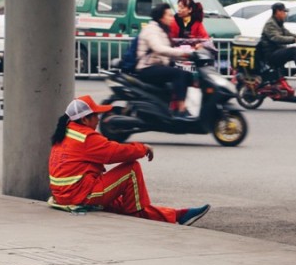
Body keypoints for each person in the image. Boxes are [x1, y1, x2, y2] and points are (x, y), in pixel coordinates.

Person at [49, 95, 210, 225]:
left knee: (122, 202)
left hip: (67, 195)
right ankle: (140, 214)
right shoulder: (86, 137)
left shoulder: (66, 133)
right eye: (96, 115)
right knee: (132, 169)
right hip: (80, 195)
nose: (98, 119)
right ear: (85, 120)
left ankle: (177, 216)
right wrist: (142, 148)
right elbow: (115, 152)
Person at [136, 3, 195, 118]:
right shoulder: (151, 30)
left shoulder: (162, 30)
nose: (172, 19)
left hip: (157, 65)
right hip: (146, 68)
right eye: (169, 16)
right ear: (161, 17)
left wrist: (191, 56)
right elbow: (159, 49)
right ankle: (181, 109)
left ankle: (173, 106)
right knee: (178, 73)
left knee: (188, 74)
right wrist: (185, 53)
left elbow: (170, 52)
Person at [259, 2, 296, 92]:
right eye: (284, 12)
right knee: (295, 50)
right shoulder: (270, 24)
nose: (285, 14)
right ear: (277, 11)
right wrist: (295, 40)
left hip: (278, 51)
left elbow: (289, 34)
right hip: (271, 55)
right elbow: (276, 38)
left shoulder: (278, 23)